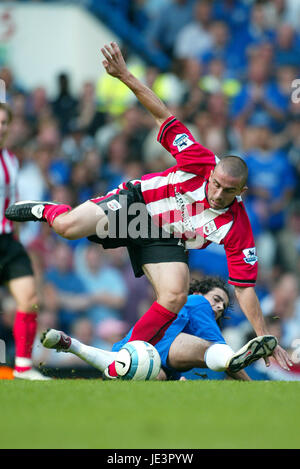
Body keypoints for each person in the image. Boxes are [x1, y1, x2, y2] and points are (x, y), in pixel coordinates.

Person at [5, 42, 293, 379]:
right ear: (212, 172)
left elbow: (244, 288)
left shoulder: (238, 226)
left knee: (175, 295)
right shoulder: (199, 159)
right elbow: (161, 113)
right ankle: (50, 210)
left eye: (227, 191)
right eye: (214, 184)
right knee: (67, 228)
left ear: (241, 192)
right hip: (137, 206)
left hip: (166, 237)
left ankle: (126, 359)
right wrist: (125, 75)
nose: (216, 194)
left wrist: (264, 338)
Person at [40, 276, 278, 381]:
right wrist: (250, 383)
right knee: (216, 350)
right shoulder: (197, 302)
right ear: (198, 293)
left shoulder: (189, 311)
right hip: (157, 345)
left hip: (132, 351)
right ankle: (73, 345)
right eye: (216, 298)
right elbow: (222, 353)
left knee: (152, 373)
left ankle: (70, 344)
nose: (217, 306)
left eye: (222, 306)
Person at [0, 102, 50, 380]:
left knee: (29, 299)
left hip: (8, 240)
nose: (1, 127)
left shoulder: (10, 159)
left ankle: (22, 367)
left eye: (4, 122)